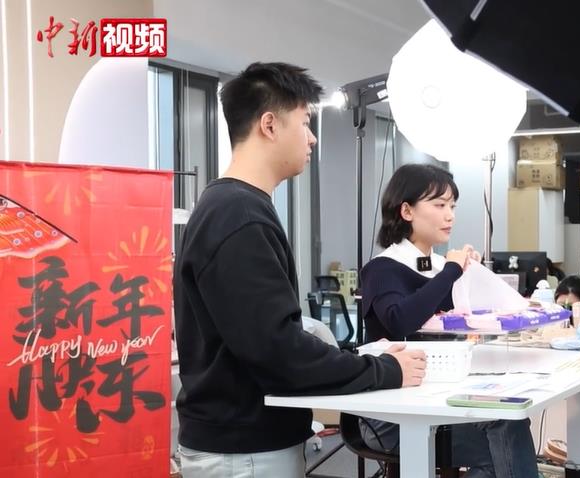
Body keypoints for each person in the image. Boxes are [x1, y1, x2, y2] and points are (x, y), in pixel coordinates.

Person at [173, 62, 427, 478]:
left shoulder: (236, 208)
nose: (312, 138)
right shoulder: (238, 216)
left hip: (245, 444)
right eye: (305, 122)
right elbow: (279, 352)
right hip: (245, 453)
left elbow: (269, 337)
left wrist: (360, 357)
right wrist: (384, 370)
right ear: (269, 125)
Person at [359, 163, 540, 477]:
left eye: (452, 206)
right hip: (390, 414)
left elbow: (465, 317)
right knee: (505, 438)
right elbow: (401, 320)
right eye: (439, 205)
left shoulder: (439, 265)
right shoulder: (382, 268)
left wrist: (469, 276)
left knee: (509, 423)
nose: (450, 215)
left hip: (436, 397)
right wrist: (452, 272)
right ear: (406, 211)